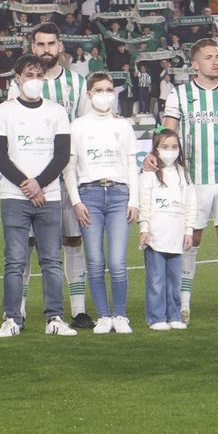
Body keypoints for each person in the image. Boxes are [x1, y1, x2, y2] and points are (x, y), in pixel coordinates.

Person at [156, 39, 218, 323]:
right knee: (191, 238)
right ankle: (183, 305)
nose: (216, 61)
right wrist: (160, 165)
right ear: (195, 64)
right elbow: (167, 136)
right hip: (192, 180)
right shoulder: (180, 95)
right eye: (208, 57)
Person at [11, 23, 93, 326]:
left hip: (67, 177)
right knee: (27, 244)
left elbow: (84, 129)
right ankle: (18, 310)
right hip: (32, 180)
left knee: (72, 240)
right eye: (40, 44)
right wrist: (28, 180)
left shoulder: (77, 82)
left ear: (60, 46)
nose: (46, 50)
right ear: (33, 47)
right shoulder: (21, 84)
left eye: (51, 44)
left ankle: (78, 309)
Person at [0, 54, 75, 338]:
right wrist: (28, 186)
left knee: (51, 261)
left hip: (49, 196)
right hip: (14, 196)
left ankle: (55, 318)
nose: (35, 81)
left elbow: (61, 156)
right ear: (17, 79)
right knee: (15, 261)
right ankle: (12, 318)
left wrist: (39, 184)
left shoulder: (57, 112)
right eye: (29, 75)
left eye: (39, 75)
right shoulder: (4, 112)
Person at [63, 72, 140, 334]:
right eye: (99, 90)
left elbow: (131, 164)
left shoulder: (123, 125)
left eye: (109, 89)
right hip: (89, 195)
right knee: (95, 260)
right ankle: (104, 316)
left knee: (117, 261)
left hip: (119, 194)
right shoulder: (78, 126)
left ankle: (120, 315)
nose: (105, 94)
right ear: (89, 94)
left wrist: (134, 200)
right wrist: (76, 202)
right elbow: (69, 168)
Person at [137, 130, 194, 331]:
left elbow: (190, 203)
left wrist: (189, 230)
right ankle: (156, 317)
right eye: (165, 147)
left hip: (176, 236)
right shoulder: (149, 175)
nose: (170, 151)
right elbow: (144, 203)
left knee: (174, 280)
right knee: (156, 280)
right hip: (156, 236)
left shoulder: (183, 174)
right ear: (156, 149)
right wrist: (144, 228)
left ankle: (174, 315)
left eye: (174, 147)